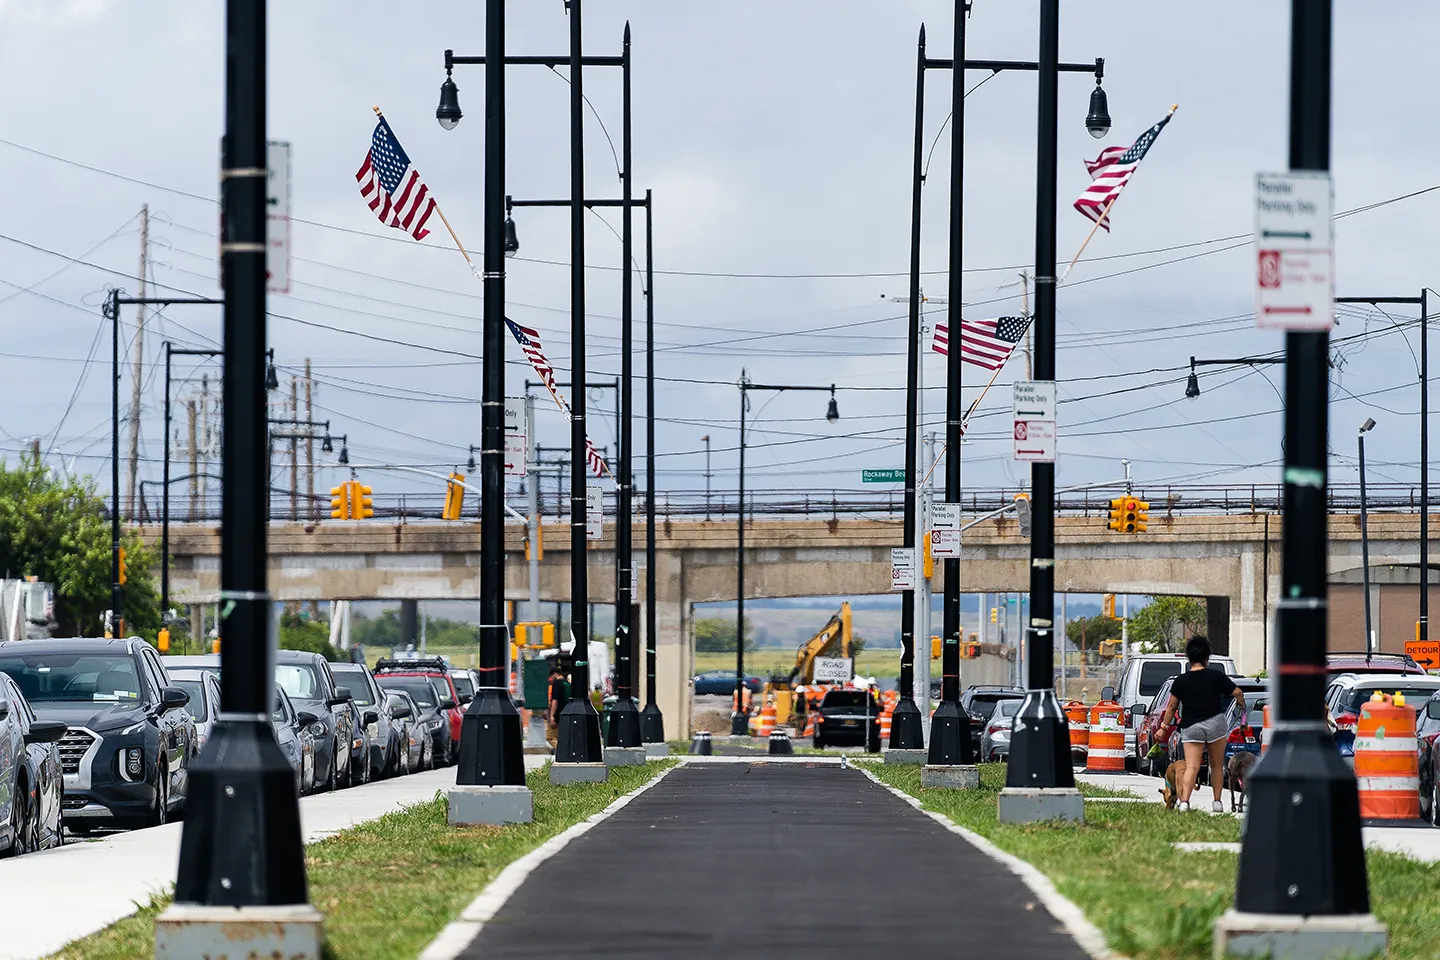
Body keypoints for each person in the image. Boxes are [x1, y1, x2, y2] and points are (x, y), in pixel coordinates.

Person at [1156, 635, 1247, 812]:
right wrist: (1241, 705)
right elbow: (1237, 692)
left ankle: (1184, 803)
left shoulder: (1181, 680)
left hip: (1191, 727)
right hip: (1215, 724)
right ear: (1207, 657)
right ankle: (1217, 802)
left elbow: (1172, 707)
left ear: (1189, 658)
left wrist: (1163, 728)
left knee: (1192, 766)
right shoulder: (1216, 677)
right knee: (1216, 765)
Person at [546, 661, 568, 748]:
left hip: (557, 714)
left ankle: (562, 750)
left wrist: (552, 715)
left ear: (555, 674)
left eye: (551, 676)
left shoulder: (557, 684)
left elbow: (555, 700)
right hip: (566, 713)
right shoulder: (567, 683)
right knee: (561, 735)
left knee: (550, 736)